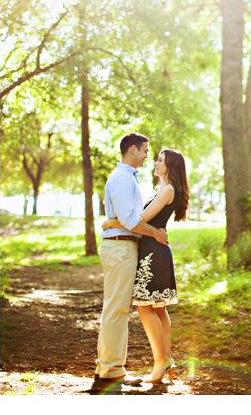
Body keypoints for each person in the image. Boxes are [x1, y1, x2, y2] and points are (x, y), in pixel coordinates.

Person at [102, 148, 189, 383]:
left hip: (153, 252)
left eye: (160, 160)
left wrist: (111, 221)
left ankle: (161, 361)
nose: (155, 162)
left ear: (170, 166)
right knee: (158, 308)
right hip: (154, 250)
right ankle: (166, 360)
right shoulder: (163, 189)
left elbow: (140, 219)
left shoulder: (167, 189)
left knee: (145, 307)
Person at [94, 133, 169, 385]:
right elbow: (130, 220)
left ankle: (107, 365)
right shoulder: (122, 179)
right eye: (146, 151)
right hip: (120, 248)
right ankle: (112, 369)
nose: (148, 156)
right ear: (133, 149)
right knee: (117, 309)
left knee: (114, 307)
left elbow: (129, 217)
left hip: (122, 247)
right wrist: (156, 233)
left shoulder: (127, 178)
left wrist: (111, 222)